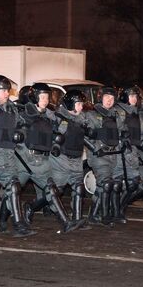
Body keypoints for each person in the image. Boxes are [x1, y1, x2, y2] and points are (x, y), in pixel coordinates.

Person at [20, 83, 84, 233]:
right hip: (32, 159)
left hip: (65, 158)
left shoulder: (52, 115)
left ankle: (75, 220)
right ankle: (28, 208)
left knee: (72, 188)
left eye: (47, 97)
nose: (46, 100)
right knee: (54, 190)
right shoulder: (29, 114)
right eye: (42, 97)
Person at [0, 75, 35, 237]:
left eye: (8, 91)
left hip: (8, 155)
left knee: (14, 187)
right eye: (4, 91)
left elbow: (21, 125)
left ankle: (18, 224)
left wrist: (20, 133)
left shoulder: (11, 107)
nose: (7, 94)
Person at [84, 86, 126, 226]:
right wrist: (95, 149)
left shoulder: (116, 114)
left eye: (112, 98)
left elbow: (122, 131)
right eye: (106, 97)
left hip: (114, 154)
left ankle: (95, 215)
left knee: (110, 186)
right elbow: (86, 136)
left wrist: (125, 139)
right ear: (100, 98)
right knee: (106, 184)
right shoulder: (92, 114)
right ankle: (105, 216)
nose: (109, 100)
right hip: (100, 154)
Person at [50, 90, 90, 228]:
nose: (81, 107)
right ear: (70, 104)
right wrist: (55, 147)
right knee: (56, 191)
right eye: (78, 104)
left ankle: (77, 219)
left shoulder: (80, 118)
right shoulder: (62, 118)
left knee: (79, 188)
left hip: (76, 158)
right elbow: (57, 136)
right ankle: (31, 207)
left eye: (81, 104)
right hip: (62, 158)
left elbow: (84, 136)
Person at [115, 85, 143, 224]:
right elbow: (117, 129)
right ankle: (115, 211)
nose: (134, 99)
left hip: (134, 150)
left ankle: (119, 208)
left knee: (133, 184)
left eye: (135, 96)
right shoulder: (120, 111)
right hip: (123, 151)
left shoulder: (136, 112)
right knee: (117, 184)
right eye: (131, 96)